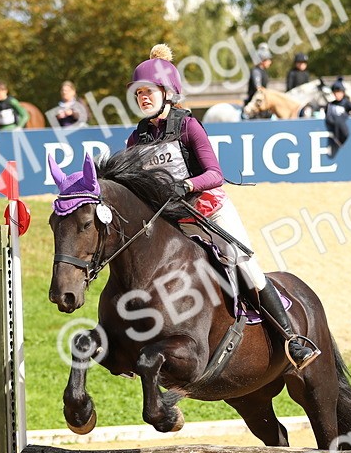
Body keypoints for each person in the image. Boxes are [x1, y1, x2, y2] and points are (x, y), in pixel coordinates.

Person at [126, 44, 319, 369]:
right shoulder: (135, 140)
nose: (143, 98)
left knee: (246, 267)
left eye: (149, 92)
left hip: (209, 211)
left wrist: (186, 184)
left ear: (167, 93)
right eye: (139, 93)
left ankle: (292, 339)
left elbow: (214, 173)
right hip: (173, 222)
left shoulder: (188, 127)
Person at [323, 79, 351, 157]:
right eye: (336, 93)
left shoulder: (346, 103)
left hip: (343, 129)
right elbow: (326, 115)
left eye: (339, 92)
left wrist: (348, 115)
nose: (338, 95)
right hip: (332, 128)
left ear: (343, 93)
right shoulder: (330, 104)